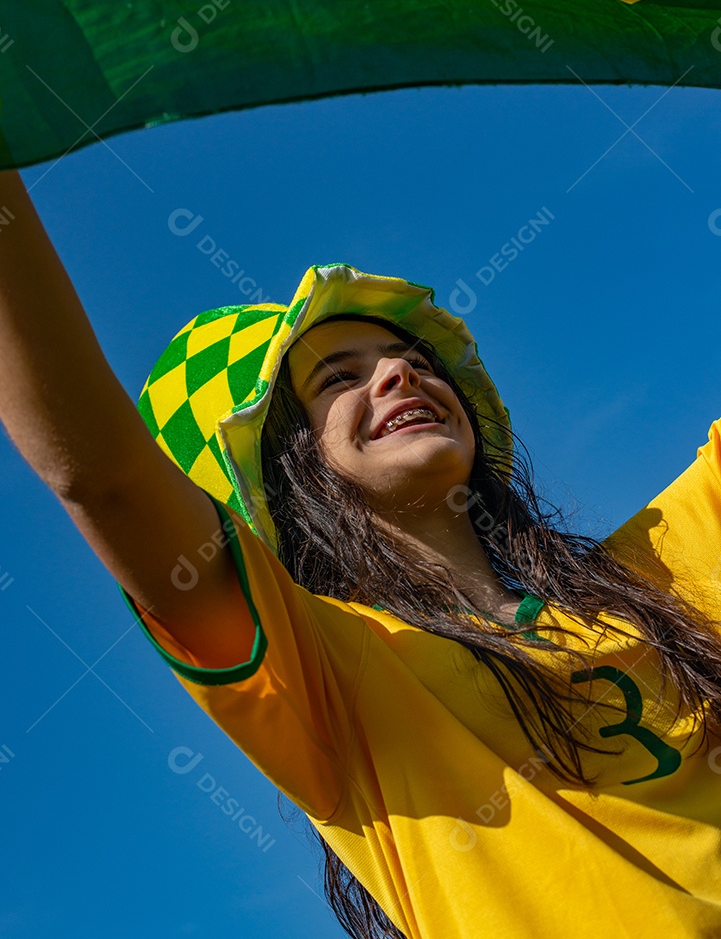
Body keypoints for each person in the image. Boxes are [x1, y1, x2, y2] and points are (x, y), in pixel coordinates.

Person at [2, 167, 721, 939]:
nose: (398, 371)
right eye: (338, 377)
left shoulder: (658, 566)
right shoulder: (325, 673)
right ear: (281, 465)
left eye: (404, 357)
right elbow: (105, 479)